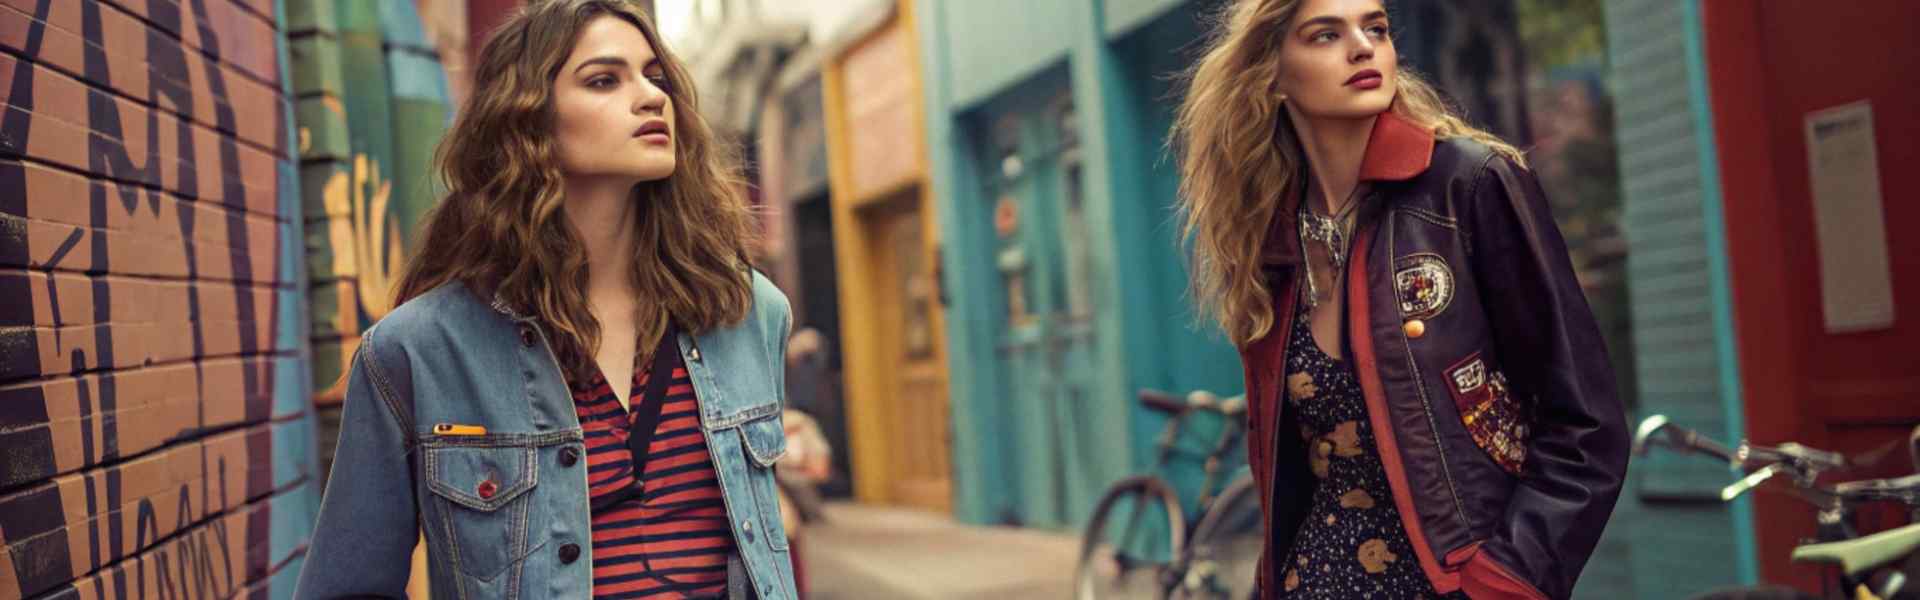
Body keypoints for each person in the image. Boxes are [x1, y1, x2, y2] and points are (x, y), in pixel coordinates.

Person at [293, 1, 797, 598]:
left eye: (655, 76)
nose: (650, 97)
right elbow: (347, 586)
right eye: (605, 80)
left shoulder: (746, 311)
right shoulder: (416, 351)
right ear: (529, 120)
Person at [1172, 0, 1629, 598]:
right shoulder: (1273, 237)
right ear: (1273, 75)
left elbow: (1586, 425)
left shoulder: (1469, 184)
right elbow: (1288, 473)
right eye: (1325, 34)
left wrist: (1507, 577)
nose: (1363, 47)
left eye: (1376, 28)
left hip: (1452, 581)